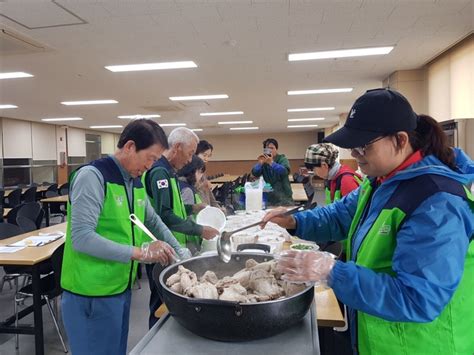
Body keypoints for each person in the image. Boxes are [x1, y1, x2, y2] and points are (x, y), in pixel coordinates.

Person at [263, 88, 474, 354]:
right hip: (379, 336)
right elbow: (339, 215)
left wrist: (332, 272)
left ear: (400, 140)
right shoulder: (380, 180)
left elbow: (419, 298)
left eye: (364, 146)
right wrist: (293, 220)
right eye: (352, 147)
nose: (356, 155)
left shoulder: (436, 201)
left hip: (423, 344)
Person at [61, 119, 191, 355]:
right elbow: (81, 238)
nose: (151, 166)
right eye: (150, 158)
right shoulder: (93, 177)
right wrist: (140, 253)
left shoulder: (134, 181)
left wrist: (179, 252)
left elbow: (153, 220)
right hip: (90, 293)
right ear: (130, 147)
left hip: (119, 287)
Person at [142, 127, 219, 328]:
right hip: (162, 248)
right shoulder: (159, 172)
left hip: (173, 245)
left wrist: (193, 207)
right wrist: (200, 230)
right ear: (177, 147)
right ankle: (155, 340)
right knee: (161, 301)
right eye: (190, 152)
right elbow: (164, 216)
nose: (190, 159)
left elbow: (171, 206)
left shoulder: (169, 171)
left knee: (172, 299)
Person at [251, 138, 293, 206]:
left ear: (276, 149)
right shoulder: (264, 161)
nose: (270, 151)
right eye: (267, 148)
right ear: (264, 150)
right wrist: (260, 164)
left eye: (272, 148)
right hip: (270, 197)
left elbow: (284, 171)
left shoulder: (282, 159)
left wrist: (272, 163)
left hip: (284, 197)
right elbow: (255, 173)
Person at [195, 140, 222, 208]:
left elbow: (211, 197)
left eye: (209, 156)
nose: (207, 159)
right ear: (195, 154)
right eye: (204, 155)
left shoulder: (202, 172)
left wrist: (218, 209)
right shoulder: (189, 173)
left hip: (208, 210)